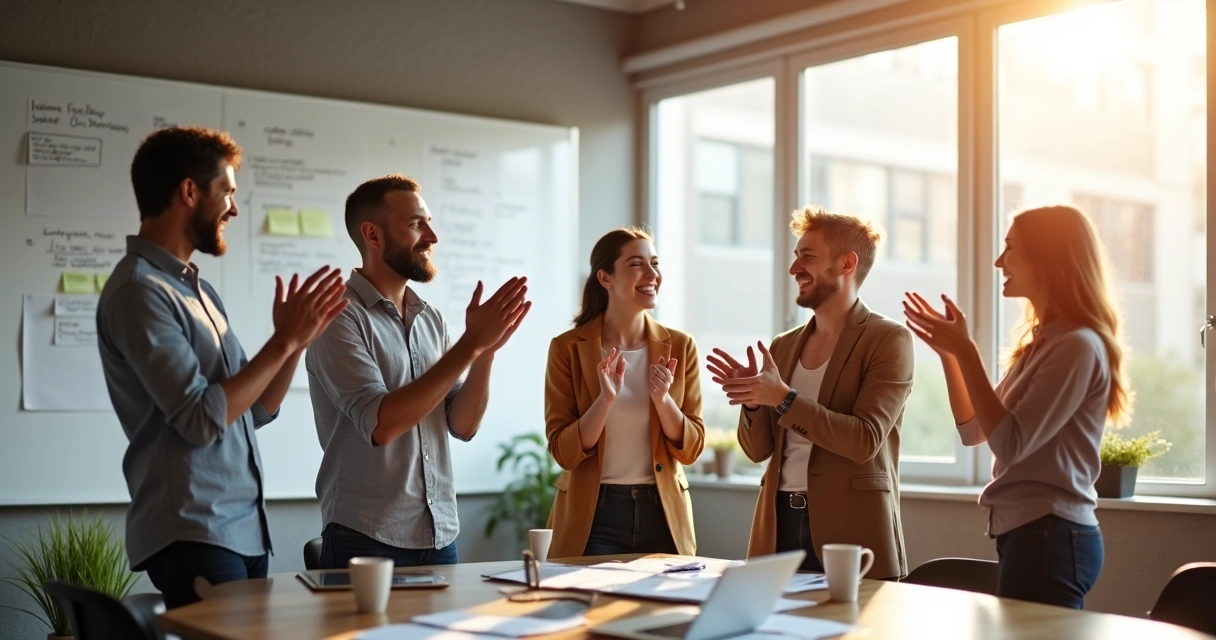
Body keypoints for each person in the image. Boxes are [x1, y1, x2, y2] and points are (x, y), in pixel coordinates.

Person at [97, 126, 347, 609]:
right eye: (227, 192)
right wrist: (284, 339)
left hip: (243, 531)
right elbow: (200, 418)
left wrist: (298, 344)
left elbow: (254, 411)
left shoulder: (199, 291)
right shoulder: (140, 291)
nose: (234, 209)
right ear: (190, 191)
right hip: (193, 529)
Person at [903, 204, 1126, 609]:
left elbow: (1010, 444)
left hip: (1051, 534)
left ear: (1047, 260)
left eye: (1010, 248)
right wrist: (951, 356)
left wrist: (968, 351)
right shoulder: (1042, 345)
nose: (997, 261)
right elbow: (974, 430)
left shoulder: (1076, 346)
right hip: (1030, 532)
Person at [306, 174, 530, 569]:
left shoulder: (431, 319)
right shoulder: (336, 315)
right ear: (372, 236)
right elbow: (381, 424)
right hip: (366, 536)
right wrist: (469, 345)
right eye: (415, 224)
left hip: (439, 535)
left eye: (427, 221)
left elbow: (461, 426)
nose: (432, 236)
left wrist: (484, 354)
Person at [707, 206, 913, 579]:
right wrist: (754, 401)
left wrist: (783, 398)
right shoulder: (783, 346)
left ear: (847, 263)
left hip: (853, 532)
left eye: (808, 257)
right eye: (795, 256)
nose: (794, 269)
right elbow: (757, 451)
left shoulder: (888, 340)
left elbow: (864, 440)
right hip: (779, 523)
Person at [544, 227, 705, 558]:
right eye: (637, 264)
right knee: (591, 608)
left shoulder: (681, 345)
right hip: (594, 515)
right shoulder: (567, 348)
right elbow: (564, 452)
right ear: (606, 278)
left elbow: (691, 449)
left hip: (662, 512)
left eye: (655, 263)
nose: (652, 274)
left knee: (667, 610)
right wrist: (605, 400)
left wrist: (663, 401)